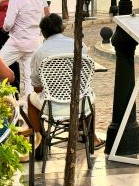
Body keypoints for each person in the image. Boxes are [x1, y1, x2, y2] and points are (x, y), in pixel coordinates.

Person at [25, 13, 103, 156]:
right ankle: (92, 138)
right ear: (62, 27)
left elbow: (37, 88)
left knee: (30, 99)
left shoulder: (39, 53)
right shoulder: (80, 46)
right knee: (88, 92)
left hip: (53, 106)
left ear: (42, 32)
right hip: (80, 103)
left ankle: (39, 141)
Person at [2, 0, 45, 96]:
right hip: (34, 41)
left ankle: (3, 98)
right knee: (28, 77)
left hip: (17, 41)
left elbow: (8, 23)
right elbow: (41, 17)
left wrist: (4, 28)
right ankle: (28, 106)